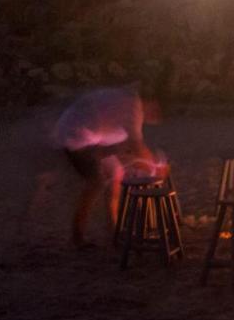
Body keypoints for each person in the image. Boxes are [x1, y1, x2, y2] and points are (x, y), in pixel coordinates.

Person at [52, 83, 166, 247]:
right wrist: (155, 167)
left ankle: (114, 230)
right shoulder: (133, 106)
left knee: (116, 173)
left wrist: (146, 163)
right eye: (156, 112)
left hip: (91, 135)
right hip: (75, 134)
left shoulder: (129, 102)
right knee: (96, 182)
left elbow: (123, 144)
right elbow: (136, 145)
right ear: (152, 102)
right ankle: (77, 236)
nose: (154, 118)